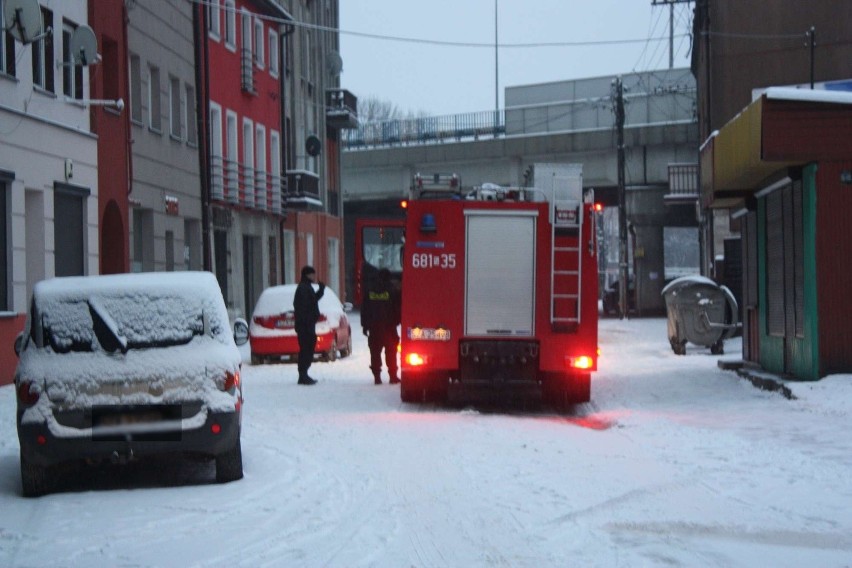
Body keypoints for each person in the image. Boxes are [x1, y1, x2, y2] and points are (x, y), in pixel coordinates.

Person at [361, 268, 401, 385]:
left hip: (374, 328)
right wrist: (398, 321)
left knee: (375, 353)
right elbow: (397, 308)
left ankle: (377, 377)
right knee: (391, 352)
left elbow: (364, 309)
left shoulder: (370, 290)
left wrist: (365, 325)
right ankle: (393, 376)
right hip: (389, 328)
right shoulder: (392, 290)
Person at [293, 265, 325, 385]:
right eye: (312, 274)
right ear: (307, 275)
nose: (314, 276)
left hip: (307, 325)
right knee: (306, 350)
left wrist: (321, 291)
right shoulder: (303, 288)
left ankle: (304, 374)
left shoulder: (306, 287)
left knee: (308, 349)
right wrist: (308, 320)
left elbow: (312, 301)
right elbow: (303, 307)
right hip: (305, 326)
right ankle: (303, 375)